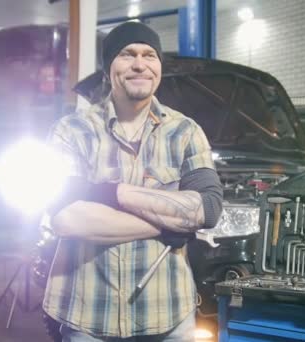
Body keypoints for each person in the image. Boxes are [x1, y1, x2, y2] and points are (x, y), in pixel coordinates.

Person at [42, 21, 223, 341]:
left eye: (149, 55)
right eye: (127, 54)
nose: (140, 64)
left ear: (159, 67)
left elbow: (207, 209)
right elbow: (66, 218)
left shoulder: (186, 132)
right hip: (88, 314)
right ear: (108, 66)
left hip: (167, 313)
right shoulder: (71, 132)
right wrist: (171, 222)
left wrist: (113, 193)